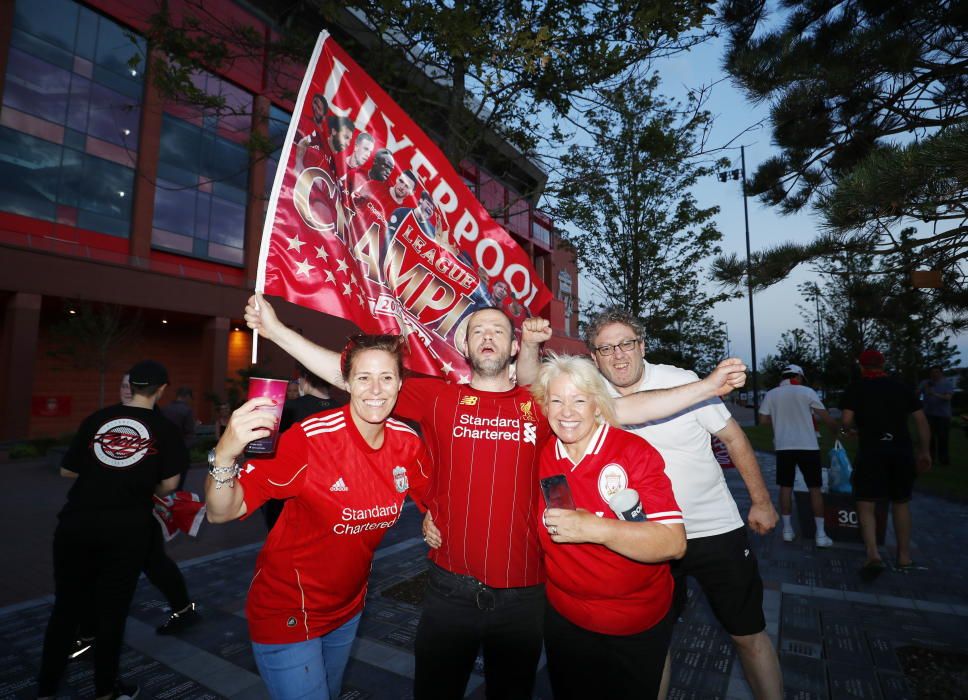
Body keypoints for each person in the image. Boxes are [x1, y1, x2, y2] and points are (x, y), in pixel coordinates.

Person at [244, 294, 748, 699]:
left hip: (526, 597)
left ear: (512, 349)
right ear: (464, 345)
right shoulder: (435, 397)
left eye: (498, 331)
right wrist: (277, 330)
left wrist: (704, 388)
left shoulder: (543, 406)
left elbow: (628, 409)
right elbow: (348, 373)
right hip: (447, 592)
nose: (488, 336)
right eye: (478, 330)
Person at [517, 307, 783, 700]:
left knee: (747, 633)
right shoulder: (588, 393)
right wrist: (527, 345)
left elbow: (734, 438)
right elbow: (535, 388)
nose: (618, 355)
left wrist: (761, 501)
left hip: (710, 528)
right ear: (593, 356)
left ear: (642, 345)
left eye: (626, 344)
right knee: (658, 639)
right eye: (606, 349)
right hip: (642, 539)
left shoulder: (681, 381)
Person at [204, 334, 431, 700]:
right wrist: (226, 454)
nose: (375, 388)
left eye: (386, 378)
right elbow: (222, 511)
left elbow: (430, 494)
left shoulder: (407, 443)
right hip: (288, 610)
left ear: (400, 384)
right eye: (363, 377)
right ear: (347, 383)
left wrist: (433, 518)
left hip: (348, 608)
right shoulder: (310, 440)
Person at [528, 353, 686, 698]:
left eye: (578, 400)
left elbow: (673, 543)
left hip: (633, 621)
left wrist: (595, 529)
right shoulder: (541, 456)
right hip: (565, 619)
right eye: (556, 400)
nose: (566, 411)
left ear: (597, 405)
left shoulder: (633, 452)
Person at [37, 361, 186, 700]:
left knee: (66, 609)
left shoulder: (97, 419)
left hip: (76, 523)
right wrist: (141, 485)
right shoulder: (164, 428)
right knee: (112, 611)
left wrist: (102, 475)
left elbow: (67, 471)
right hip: (127, 528)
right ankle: (105, 690)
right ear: (161, 390)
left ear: (130, 385)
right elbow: (169, 483)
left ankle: (45, 691)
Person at [842, 349, 932, 580]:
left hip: (872, 451)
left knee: (866, 502)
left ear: (862, 366)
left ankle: (873, 554)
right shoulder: (901, 387)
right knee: (901, 502)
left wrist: (850, 430)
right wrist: (924, 451)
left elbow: (846, 421)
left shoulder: (857, 387)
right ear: (883, 364)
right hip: (901, 451)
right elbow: (921, 421)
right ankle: (904, 557)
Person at [759, 364, 839, 546]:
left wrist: (779, 417)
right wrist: (837, 430)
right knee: (815, 489)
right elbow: (825, 417)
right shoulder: (807, 392)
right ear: (800, 376)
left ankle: (787, 530)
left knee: (785, 488)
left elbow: (763, 420)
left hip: (783, 447)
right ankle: (820, 534)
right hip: (808, 446)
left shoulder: (772, 394)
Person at [262, 366, 345, 531]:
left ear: (305, 379)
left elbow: (266, 447)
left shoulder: (290, 409)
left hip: (292, 492)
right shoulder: (344, 410)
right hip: (331, 493)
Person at [162, 386, 196, 489]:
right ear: (187, 396)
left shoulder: (165, 409)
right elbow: (190, 432)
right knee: (179, 482)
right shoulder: (187, 410)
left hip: (165, 449)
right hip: (181, 450)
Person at [919, 365, 953, 465]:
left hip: (943, 416)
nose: (934, 374)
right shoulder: (925, 382)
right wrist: (922, 390)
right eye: (932, 372)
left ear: (941, 373)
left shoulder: (947, 383)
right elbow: (917, 394)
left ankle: (943, 460)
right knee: (929, 438)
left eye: (937, 372)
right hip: (928, 414)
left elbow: (948, 397)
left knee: (943, 438)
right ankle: (930, 458)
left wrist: (934, 394)